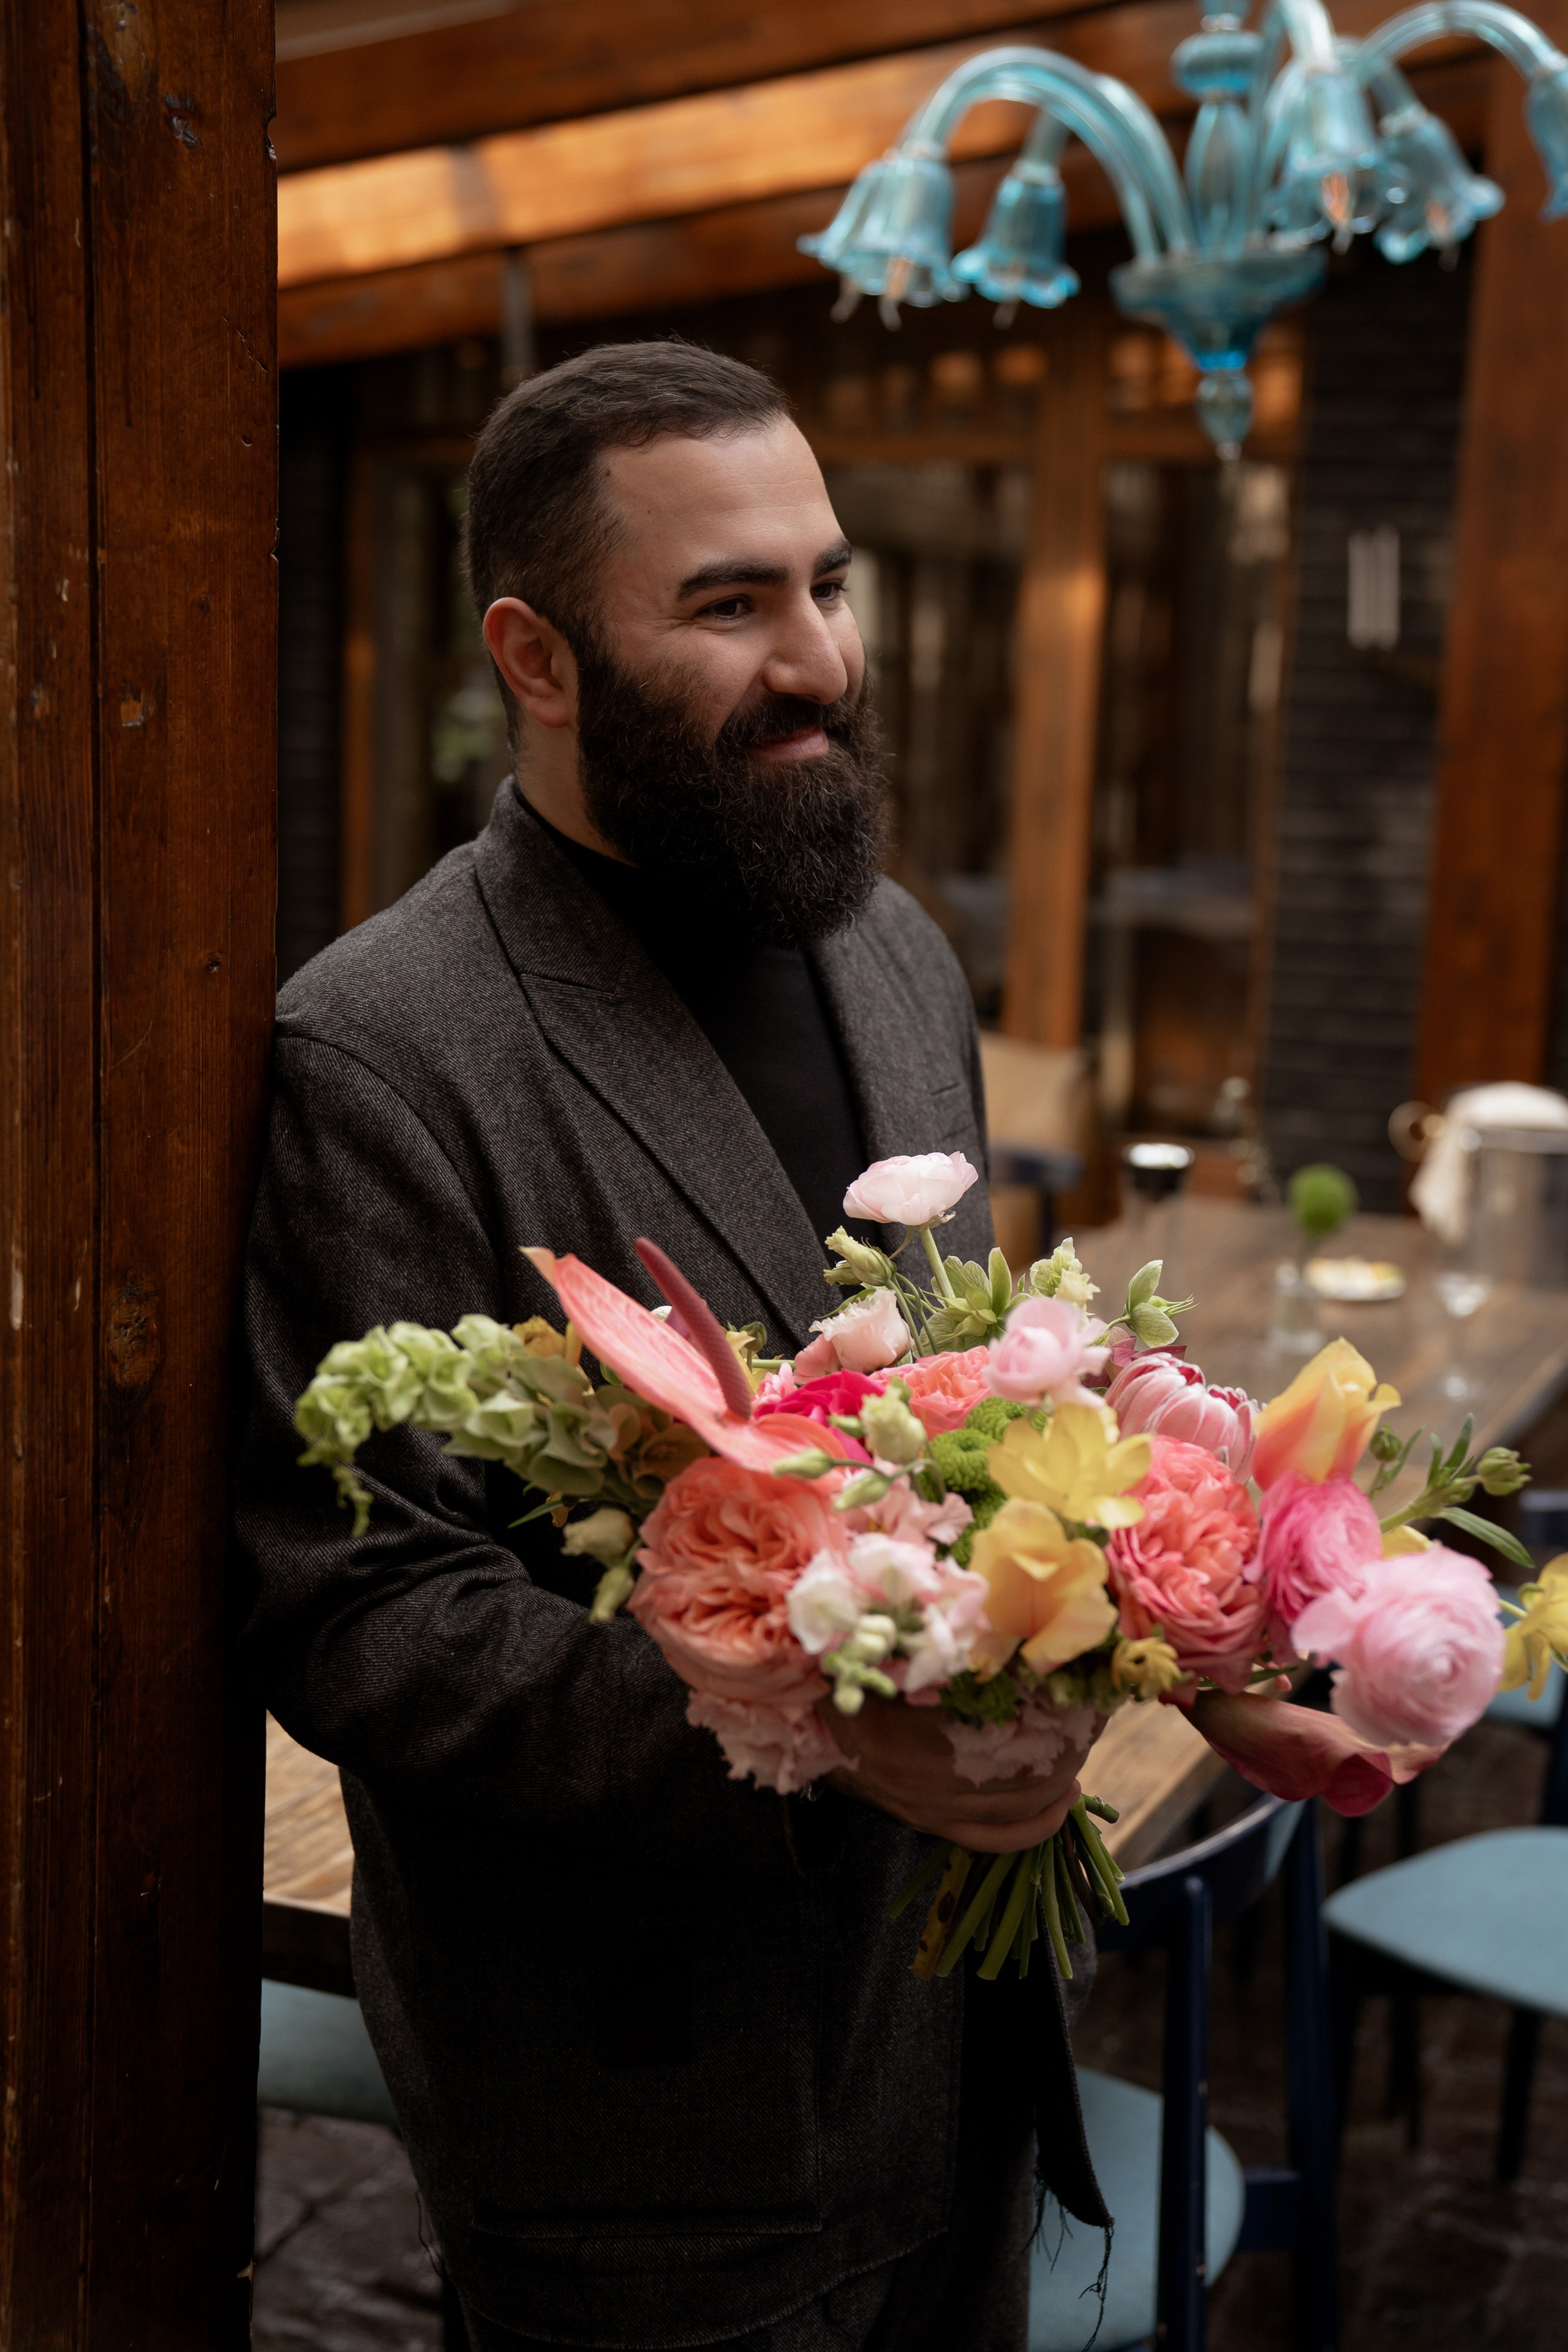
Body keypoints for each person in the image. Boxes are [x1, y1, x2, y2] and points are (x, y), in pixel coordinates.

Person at [237, 342, 1106, 2352]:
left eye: (827, 582)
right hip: (648, 2114)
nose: (820, 657)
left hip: (953, 2039)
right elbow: (359, 1612)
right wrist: (826, 1724)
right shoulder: (384, 1048)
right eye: (729, 605)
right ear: (535, 658)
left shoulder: (891, 949)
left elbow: (951, 1401)